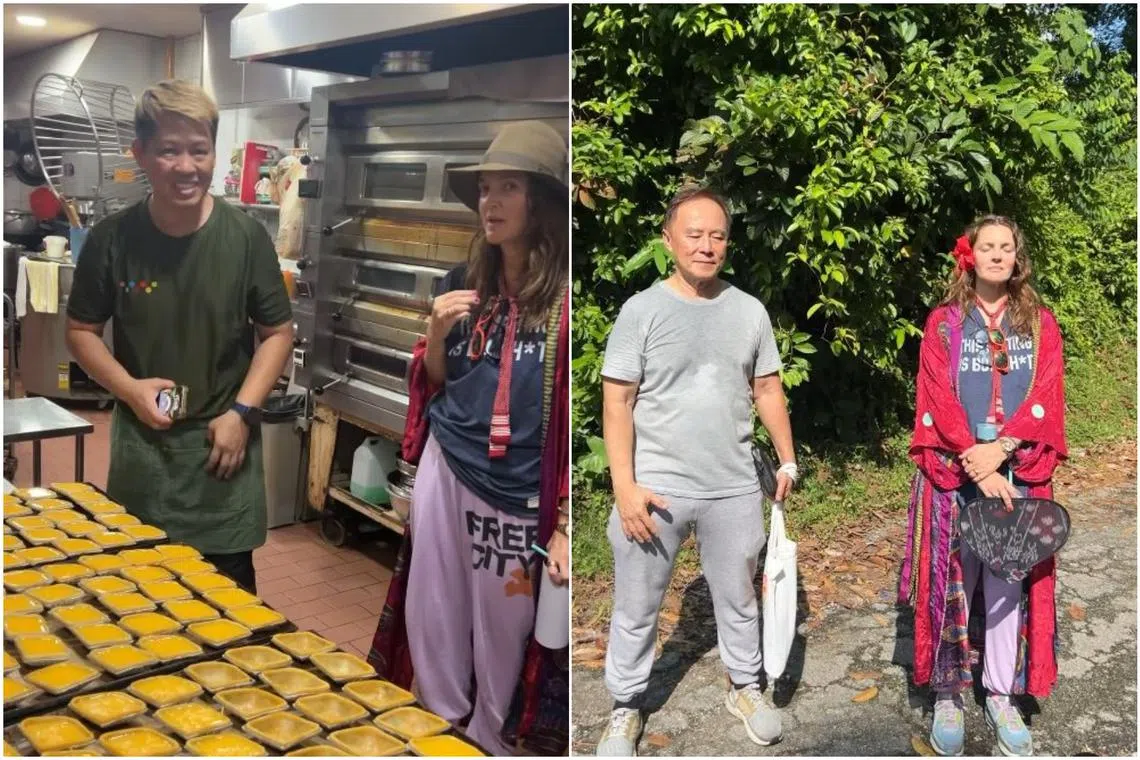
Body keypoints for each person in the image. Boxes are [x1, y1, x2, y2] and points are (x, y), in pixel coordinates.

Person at [368, 121, 570, 756]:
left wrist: (565, 519)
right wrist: (432, 331)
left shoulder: (567, 300)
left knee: (503, 629)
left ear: (541, 201)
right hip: (446, 467)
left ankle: (489, 739)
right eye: (485, 189)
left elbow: (571, 418)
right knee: (434, 614)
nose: (491, 203)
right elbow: (437, 385)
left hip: (516, 497)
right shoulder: (464, 282)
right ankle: (437, 731)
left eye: (508, 188)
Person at [65, 80, 294, 592]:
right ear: (140, 154)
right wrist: (130, 390)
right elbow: (81, 331)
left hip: (223, 454)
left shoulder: (245, 238)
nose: (187, 166)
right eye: (169, 150)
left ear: (214, 153)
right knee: (138, 607)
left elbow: (277, 332)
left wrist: (241, 413)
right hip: (143, 455)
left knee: (229, 617)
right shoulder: (112, 239)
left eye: (199, 150)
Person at [595, 185, 797, 755]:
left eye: (717, 236)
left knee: (739, 595)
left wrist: (787, 457)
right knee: (637, 605)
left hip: (733, 485)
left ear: (727, 244)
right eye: (694, 234)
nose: (706, 246)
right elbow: (618, 403)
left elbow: (767, 388)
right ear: (669, 239)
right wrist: (624, 488)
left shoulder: (748, 311)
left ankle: (745, 685)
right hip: (654, 490)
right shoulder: (641, 311)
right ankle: (625, 705)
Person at [899, 215, 1067, 757]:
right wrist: (981, 466)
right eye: (987, 247)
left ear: (1018, 258)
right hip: (955, 473)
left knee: (1006, 584)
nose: (997, 256)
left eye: (1007, 248)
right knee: (953, 580)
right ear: (969, 256)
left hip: (1018, 474)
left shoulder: (1040, 324)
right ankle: (948, 691)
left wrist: (1005, 449)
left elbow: (1045, 393)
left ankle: (1000, 692)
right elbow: (937, 398)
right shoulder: (944, 323)